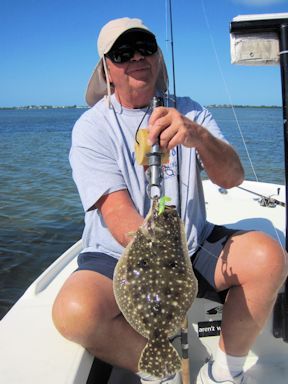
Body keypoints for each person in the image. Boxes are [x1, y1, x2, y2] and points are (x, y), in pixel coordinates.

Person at [52, 17, 288, 384]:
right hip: (121, 254)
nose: (136, 58)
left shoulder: (191, 112)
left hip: (191, 243)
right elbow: (116, 213)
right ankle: (161, 371)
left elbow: (232, 178)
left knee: (269, 258)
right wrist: (159, 260)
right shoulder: (92, 127)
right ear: (106, 69)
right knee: (74, 312)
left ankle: (224, 373)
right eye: (122, 52)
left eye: (145, 48)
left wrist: (199, 137)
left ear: (158, 57)